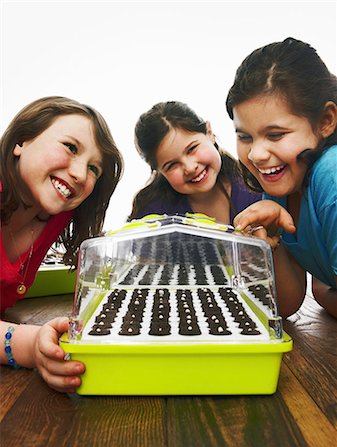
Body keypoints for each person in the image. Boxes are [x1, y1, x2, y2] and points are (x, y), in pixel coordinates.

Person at [1, 96, 123, 392]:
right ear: (22, 141)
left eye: (95, 169)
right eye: (70, 147)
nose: (81, 174)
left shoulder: (57, 216)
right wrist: (29, 345)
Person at [225, 37, 337, 319]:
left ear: (325, 121)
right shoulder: (279, 186)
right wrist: (270, 244)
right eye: (244, 137)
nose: (257, 154)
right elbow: (286, 306)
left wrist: (327, 294)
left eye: (275, 135)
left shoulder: (331, 175)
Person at [129, 101, 260, 224]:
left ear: (209, 132)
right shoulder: (153, 217)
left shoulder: (257, 185)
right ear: (159, 171)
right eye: (172, 165)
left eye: (192, 149)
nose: (190, 168)